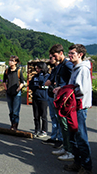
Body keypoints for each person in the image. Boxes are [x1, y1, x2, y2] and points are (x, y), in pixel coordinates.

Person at [62, 44, 92, 174]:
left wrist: (66, 91)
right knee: (73, 136)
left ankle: (86, 167)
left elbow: (81, 90)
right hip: (73, 108)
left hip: (78, 107)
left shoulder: (83, 69)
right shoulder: (75, 68)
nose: (69, 56)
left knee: (81, 137)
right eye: (69, 53)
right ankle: (77, 163)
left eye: (72, 53)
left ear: (80, 54)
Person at [49, 44, 74, 161]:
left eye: (55, 55)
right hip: (59, 98)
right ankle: (65, 147)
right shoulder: (60, 66)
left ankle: (70, 150)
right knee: (61, 124)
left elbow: (73, 82)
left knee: (65, 125)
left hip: (65, 99)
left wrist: (62, 88)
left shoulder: (68, 65)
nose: (54, 58)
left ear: (61, 53)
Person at [42, 55, 63, 148]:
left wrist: (51, 81)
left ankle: (61, 139)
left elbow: (53, 81)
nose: (50, 60)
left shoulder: (61, 68)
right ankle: (53, 137)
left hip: (57, 96)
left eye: (51, 58)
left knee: (59, 118)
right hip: (51, 94)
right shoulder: (54, 69)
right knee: (53, 118)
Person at [3, 55, 24, 130]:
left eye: (12, 60)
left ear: (16, 62)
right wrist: (6, 88)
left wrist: (18, 89)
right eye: (10, 60)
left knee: (15, 111)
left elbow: (22, 82)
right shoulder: (7, 70)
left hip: (16, 93)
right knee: (11, 111)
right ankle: (12, 124)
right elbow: (4, 81)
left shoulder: (18, 70)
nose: (10, 62)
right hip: (9, 92)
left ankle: (15, 125)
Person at [29, 62, 49, 137]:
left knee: (43, 115)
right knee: (36, 115)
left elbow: (43, 83)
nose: (36, 70)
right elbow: (31, 85)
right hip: (35, 97)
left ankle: (44, 130)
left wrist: (41, 77)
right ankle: (37, 129)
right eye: (36, 68)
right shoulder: (34, 77)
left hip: (43, 98)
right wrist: (36, 87)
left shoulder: (47, 76)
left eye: (38, 68)